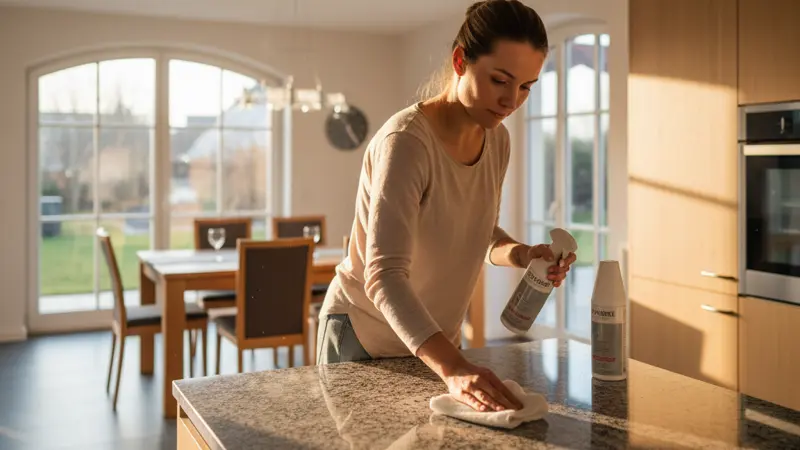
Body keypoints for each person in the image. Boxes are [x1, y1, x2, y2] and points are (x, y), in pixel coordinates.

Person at [317, 0, 576, 414]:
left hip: (434, 343)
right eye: (500, 80)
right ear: (460, 60)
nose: (512, 100)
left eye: (526, 86)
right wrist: (454, 367)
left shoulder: (498, 141)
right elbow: (383, 276)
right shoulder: (406, 144)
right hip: (366, 338)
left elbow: (481, 230)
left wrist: (524, 254)